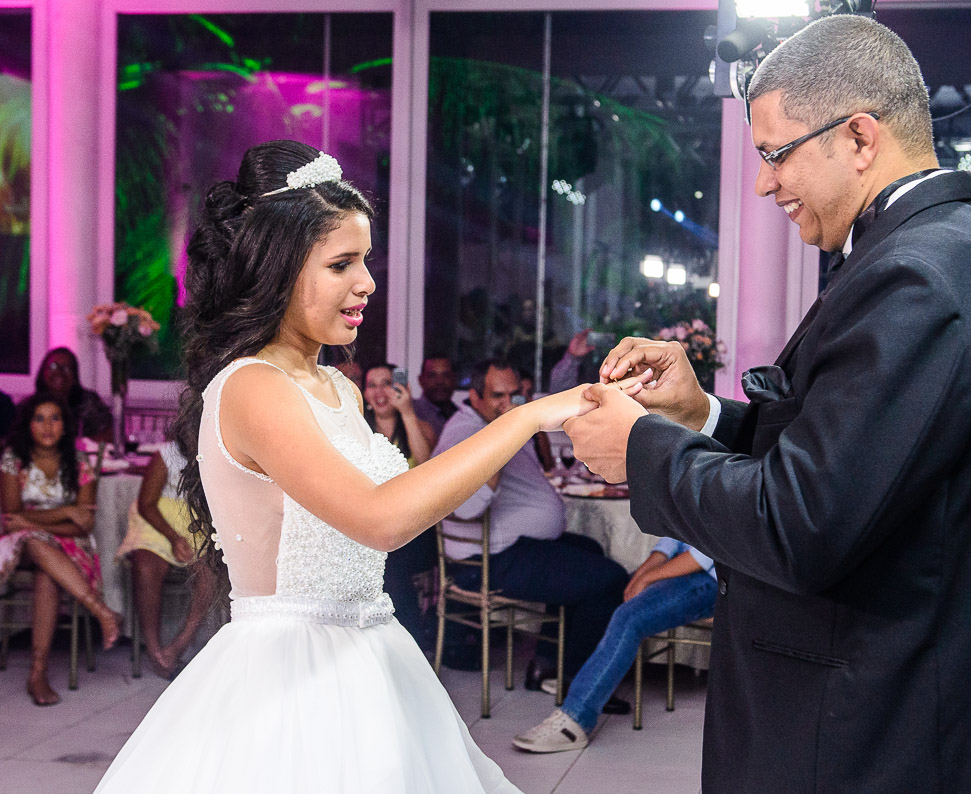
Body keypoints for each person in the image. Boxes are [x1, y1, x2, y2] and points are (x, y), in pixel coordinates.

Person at [563, 16, 971, 792]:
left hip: (890, 738)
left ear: (859, 137)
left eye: (775, 154)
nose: (764, 184)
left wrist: (641, 448)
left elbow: (800, 523)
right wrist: (699, 416)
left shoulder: (918, 278)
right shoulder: (943, 253)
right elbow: (853, 460)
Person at [95, 140, 621, 793]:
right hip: (292, 675)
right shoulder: (253, 387)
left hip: (371, 646)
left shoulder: (338, 387)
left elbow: (402, 496)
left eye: (365, 260)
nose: (367, 282)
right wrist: (523, 419)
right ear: (278, 269)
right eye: (342, 263)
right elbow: (381, 520)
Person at [435, 359, 630, 707]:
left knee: (589, 549)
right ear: (475, 397)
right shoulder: (466, 432)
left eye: (515, 395)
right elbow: (465, 509)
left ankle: (546, 665)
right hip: (487, 560)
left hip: (510, 546)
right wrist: (503, 435)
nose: (508, 403)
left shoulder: (500, 422)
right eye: (497, 395)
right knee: (609, 579)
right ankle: (581, 685)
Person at [513, 537, 717, 752]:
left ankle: (575, 719)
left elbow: (706, 553)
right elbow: (674, 535)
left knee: (631, 617)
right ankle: (582, 681)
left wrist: (649, 577)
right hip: (685, 564)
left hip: (716, 578)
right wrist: (641, 575)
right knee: (608, 588)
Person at [0, 395, 122, 706]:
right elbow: (11, 521)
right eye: (39, 418)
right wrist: (67, 512)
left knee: (47, 575)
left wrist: (33, 520)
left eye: (55, 418)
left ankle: (37, 673)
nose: (47, 426)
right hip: (20, 547)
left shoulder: (79, 462)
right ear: (28, 425)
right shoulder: (13, 460)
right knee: (34, 541)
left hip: (67, 545)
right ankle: (99, 608)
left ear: (66, 426)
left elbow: (84, 524)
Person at [115, 441, 215, 678]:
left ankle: (178, 645)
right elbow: (146, 504)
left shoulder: (218, 453)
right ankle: (154, 650)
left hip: (198, 523)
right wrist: (173, 538)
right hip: (159, 522)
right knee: (145, 567)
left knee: (210, 571)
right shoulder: (166, 455)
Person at [364, 363, 437, 649]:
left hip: (412, 529)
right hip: (370, 527)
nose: (379, 392)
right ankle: (399, 643)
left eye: (387, 383)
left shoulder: (421, 427)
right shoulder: (357, 430)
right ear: (364, 393)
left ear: (401, 388)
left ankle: (404, 645)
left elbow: (428, 468)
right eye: (372, 385)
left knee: (391, 563)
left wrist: (407, 413)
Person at [34, 347, 113, 443]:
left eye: (67, 368)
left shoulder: (88, 402)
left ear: (74, 375)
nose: (59, 372)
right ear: (43, 371)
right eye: (53, 366)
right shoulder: (31, 407)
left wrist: (80, 444)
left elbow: (112, 433)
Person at [413, 355, 459, 441]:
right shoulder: (410, 412)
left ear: (454, 379)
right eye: (432, 375)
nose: (440, 381)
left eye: (446, 375)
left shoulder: (461, 417)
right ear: (421, 380)